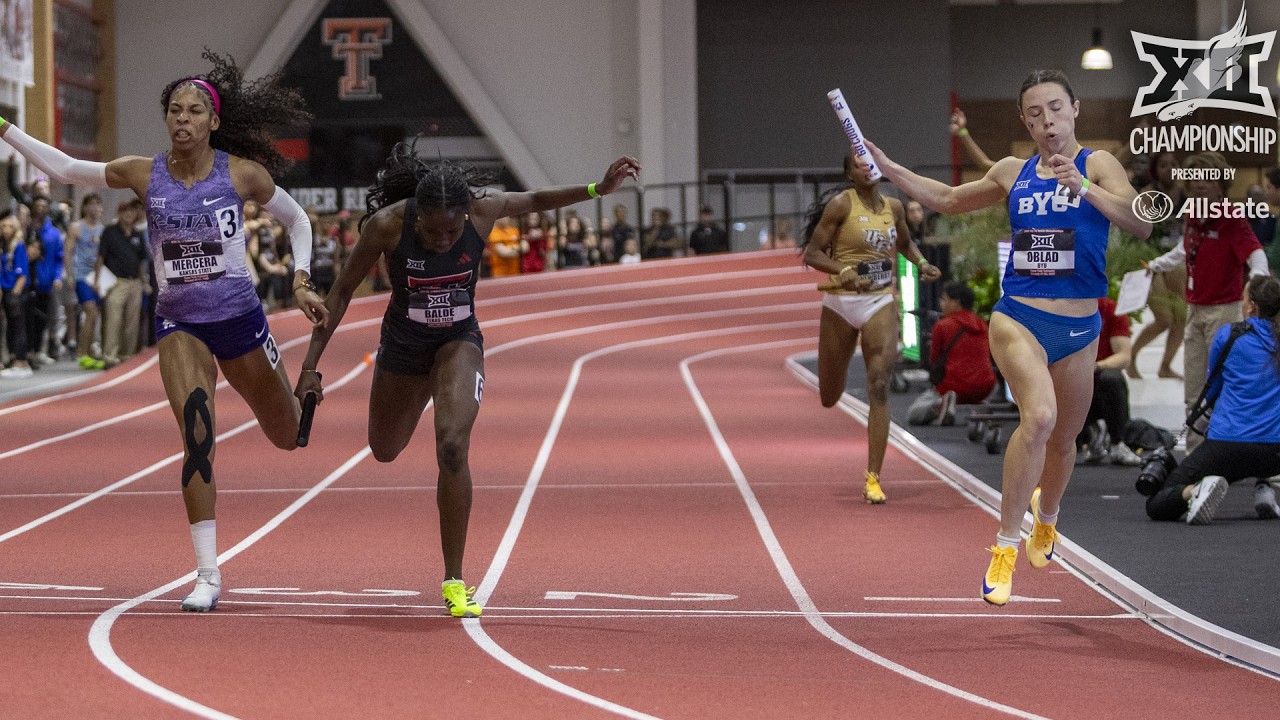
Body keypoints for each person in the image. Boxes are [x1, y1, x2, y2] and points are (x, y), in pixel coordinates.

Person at [0, 51, 327, 611]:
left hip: (241, 320)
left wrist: (300, 278)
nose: (182, 119)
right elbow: (65, 170)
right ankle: (207, 573)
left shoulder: (242, 174)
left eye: (194, 111)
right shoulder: (142, 173)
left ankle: (305, 397)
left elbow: (298, 220)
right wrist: (5, 128)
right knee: (197, 433)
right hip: (181, 324)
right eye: (174, 110)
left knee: (287, 435)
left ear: (213, 121)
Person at [295, 139, 640, 618]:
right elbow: (341, 293)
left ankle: (455, 580)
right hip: (402, 347)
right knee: (384, 449)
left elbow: (537, 200)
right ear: (417, 219)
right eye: (433, 232)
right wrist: (311, 366)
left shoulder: (483, 210)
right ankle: (422, 393)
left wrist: (597, 189)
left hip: (458, 342)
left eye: (450, 231)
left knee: (453, 446)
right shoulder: (387, 225)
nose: (442, 240)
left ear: (466, 215)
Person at [865, 69, 1153, 605]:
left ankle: (1047, 518)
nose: (1047, 121)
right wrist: (888, 169)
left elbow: (1140, 224)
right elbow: (948, 199)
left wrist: (1083, 189)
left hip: (1081, 326)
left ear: (1075, 110)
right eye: (1035, 113)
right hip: (1019, 316)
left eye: (1055, 109)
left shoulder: (1100, 165)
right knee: (1038, 418)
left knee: (1065, 439)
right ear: (1024, 120)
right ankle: (1003, 545)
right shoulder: (1011, 171)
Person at [802, 150, 942, 503]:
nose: (868, 168)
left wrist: (922, 263)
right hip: (840, 302)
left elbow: (905, 244)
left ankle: (873, 477)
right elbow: (812, 254)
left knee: (879, 383)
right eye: (859, 164)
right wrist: (842, 271)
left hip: (880, 300)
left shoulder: (894, 208)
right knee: (829, 397)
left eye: (871, 162)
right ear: (850, 173)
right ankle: (869, 468)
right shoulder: (840, 206)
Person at [1145, 151, 1269, 451]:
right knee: (1194, 386)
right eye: (1194, 178)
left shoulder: (1230, 217)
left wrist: (1257, 281)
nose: (1200, 184)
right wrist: (1156, 265)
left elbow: (1255, 253)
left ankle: (1232, 450)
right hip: (1195, 310)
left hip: (1223, 312)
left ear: (1220, 184)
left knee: (1225, 384)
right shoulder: (1193, 215)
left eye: (1207, 178)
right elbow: (1183, 250)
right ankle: (1195, 453)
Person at [1142, 275, 1280, 524]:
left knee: (1158, 501)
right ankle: (1264, 487)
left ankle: (1195, 491)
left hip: (1230, 445)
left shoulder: (1231, 335)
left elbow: (1213, 389)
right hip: (1276, 450)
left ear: (1251, 307)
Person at [1127, 151, 1187, 380]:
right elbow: (1133, 231)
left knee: (1181, 319)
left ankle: (1165, 366)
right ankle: (1132, 357)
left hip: (1176, 259)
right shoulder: (1149, 194)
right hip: (1150, 260)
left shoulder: (1185, 195)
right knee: (1164, 319)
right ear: (1155, 169)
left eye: (1173, 164)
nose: (1169, 169)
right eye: (1163, 165)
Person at [907, 281, 995, 426]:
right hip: (985, 386)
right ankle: (978, 407)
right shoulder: (982, 324)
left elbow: (933, 360)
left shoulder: (943, 325)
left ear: (956, 302)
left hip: (954, 385)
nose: (940, 303)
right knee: (972, 392)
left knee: (914, 413)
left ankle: (943, 403)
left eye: (944, 299)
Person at [1075, 296, 1142, 466]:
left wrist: (1095, 366)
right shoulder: (1060, 306)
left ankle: (1117, 443)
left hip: (1097, 379)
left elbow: (1124, 356)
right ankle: (1091, 435)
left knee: (1111, 378)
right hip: (1071, 380)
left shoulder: (1110, 308)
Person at [94, 200, 148, 368]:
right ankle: (110, 354)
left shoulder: (137, 234)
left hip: (135, 282)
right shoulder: (110, 232)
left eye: (132, 212)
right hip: (116, 282)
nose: (129, 215)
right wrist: (97, 281)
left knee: (132, 321)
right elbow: (101, 257)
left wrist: (144, 282)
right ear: (119, 214)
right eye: (125, 212)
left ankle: (128, 354)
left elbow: (140, 261)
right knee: (114, 318)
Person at [66, 194, 106, 370]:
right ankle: (82, 352)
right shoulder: (76, 227)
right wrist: (69, 276)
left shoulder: (103, 230)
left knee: (96, 314)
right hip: (81, 275)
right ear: (84, 207)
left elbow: (103, 255)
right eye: (91, 204)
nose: (95, 208)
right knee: (90, 312)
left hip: (98, 277)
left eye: (98, 204)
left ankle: (90, 351)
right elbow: (67, 252)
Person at [24, 195, 65, 366]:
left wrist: (57, 277)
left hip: (45, 281)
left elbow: (58, 258)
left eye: (43, 205)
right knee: (26, 317)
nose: (40, 207)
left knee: (42, 318)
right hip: (26, 279)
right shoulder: (26, 229)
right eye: (37, 204)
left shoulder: (53, 233)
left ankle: (37, 350)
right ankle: (24, 351)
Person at [0, 213, 31, 377]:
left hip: (16, 290)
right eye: (3, 226)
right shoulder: (3, 246)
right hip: (5, 289)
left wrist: (14, 294)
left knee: (18, 325)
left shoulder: (18, 246)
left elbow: (22, 273)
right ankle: (12, 358)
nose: (6, 230)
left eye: (9, 226)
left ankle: (21, 361)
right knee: (9, 327)